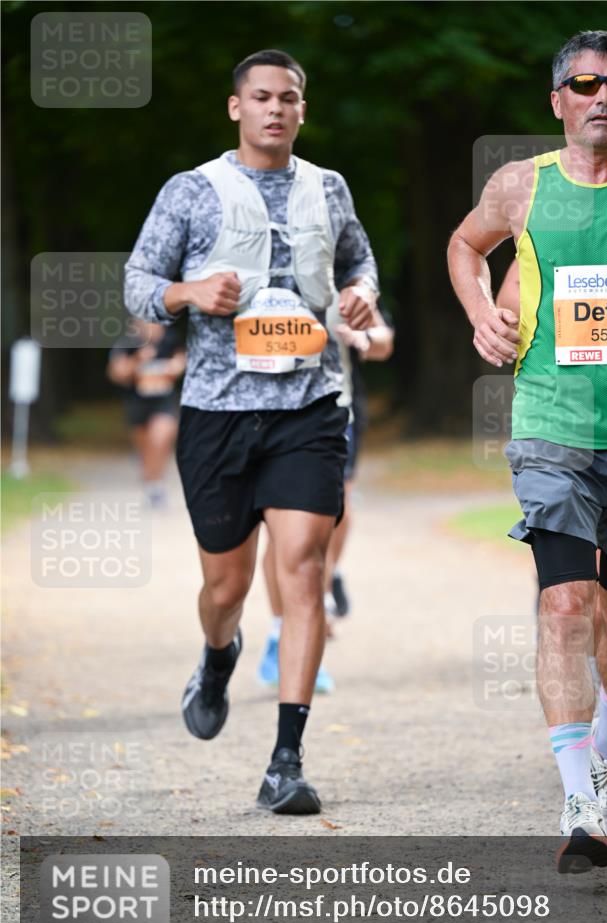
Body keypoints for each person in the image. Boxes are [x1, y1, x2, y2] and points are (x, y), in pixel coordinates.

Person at [125, 49, 378, 815]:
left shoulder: (327, 188)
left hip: (310, 409)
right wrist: (188, 290)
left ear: (302, 109)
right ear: (236, 107)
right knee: (224, 587)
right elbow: (137, 281)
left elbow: (360, 264)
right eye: (261, 97)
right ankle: (217, 653)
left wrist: (360, 297)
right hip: (217, 415)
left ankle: (285, 762)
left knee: (301, 568)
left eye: (289, 98)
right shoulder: (192, 191)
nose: (275, 108)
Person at [448, 30, 607, 872]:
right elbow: (464, 246)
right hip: (550, 430)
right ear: (557, 101)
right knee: (564, 606)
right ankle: (579, 800)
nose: (602, 98)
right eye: (584, 85)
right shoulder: (518, 187)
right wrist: (479, 312)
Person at [257, 298, 394, 691]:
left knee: (332, 511)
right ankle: (280, 632)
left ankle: (323, 582)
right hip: (267, 417)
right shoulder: (254, 275)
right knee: (278, 528)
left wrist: (362, 337)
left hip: (335, 414)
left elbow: (384, 338)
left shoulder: (345, 281)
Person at [107, 319, 185, 507]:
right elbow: (116, 373)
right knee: (145, 449)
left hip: (164, 401)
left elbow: (183, 358)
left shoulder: (171, 339)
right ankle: (151, 484)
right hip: (137, 403)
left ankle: (156, 486)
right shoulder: (128, 343)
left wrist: (176, 366)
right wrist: (137, 361)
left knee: (160, 439)